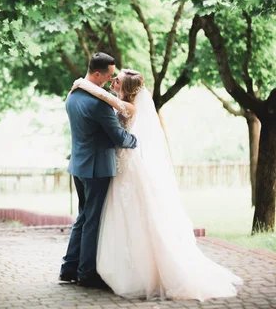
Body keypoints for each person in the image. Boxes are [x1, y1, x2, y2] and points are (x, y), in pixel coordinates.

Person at [69, 69, 244, 301]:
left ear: (126, 88)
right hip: (119, 165)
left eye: (117, 80)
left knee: (134, 216)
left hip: (127, 166)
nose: (113, 82)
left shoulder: (129, 107)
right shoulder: (121, 102)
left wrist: (81, 83)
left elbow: (105, 99)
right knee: (115, 216)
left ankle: (136, 273)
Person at [59, 53, 138, 288]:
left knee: (82, 218)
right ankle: (86, 273)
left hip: (78, 166)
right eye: (109, 75)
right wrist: (137, 141)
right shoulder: (100, 104)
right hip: (97, 169)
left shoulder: (72, 96)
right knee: (92, 220)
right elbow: (118, 137)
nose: (111, 79)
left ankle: (68, 268)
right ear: (97, 74)